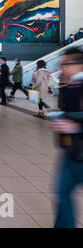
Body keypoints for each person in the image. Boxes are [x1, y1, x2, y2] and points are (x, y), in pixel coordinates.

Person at [49, 48, 83, 228]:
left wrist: (76, 126)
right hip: (71, 150)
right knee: (62, 191)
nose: (62, 68)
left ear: (79, 65)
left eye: (65, 64)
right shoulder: (70, 86)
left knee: (63, 191)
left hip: (79, 149)